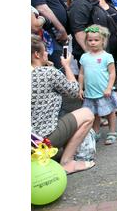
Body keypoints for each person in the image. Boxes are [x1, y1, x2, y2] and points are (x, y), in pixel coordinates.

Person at [31, 35, 95, 174]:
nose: (47, 53)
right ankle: (67, 162)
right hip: (41, 142)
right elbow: (74, 91)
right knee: (87, 114)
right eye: (44, 50)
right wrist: (66, 65)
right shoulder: (48, 72)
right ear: (37, 54)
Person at [78, 25, 117, 145]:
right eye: (90, 40)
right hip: (90, 92)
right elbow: (81, 74)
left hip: (104, 91)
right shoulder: (84, 57)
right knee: (94, 113)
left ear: (103, 41)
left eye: (96, 40)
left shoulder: (106, 57)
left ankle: (112, 132)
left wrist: (109, 87)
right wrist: (80, 88)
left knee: (110, 111)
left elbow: (112, 73)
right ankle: (96, 132)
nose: (93, 42)